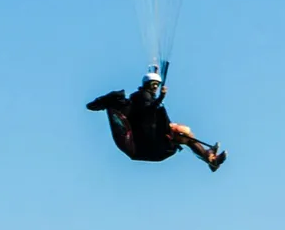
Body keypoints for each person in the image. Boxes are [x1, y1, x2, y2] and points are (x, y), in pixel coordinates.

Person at [86, 71, 226, 170]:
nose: (155, 87)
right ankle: (210, 158)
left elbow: (150, 110)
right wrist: (161, 97)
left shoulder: (144, 96)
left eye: (156, 85)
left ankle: (210, 157)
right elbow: (148, 110)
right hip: (149, 144)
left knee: (186, 133)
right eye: (153, 84)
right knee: (184, 133)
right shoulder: (142, 97)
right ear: (147, 84)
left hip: (152, 138)